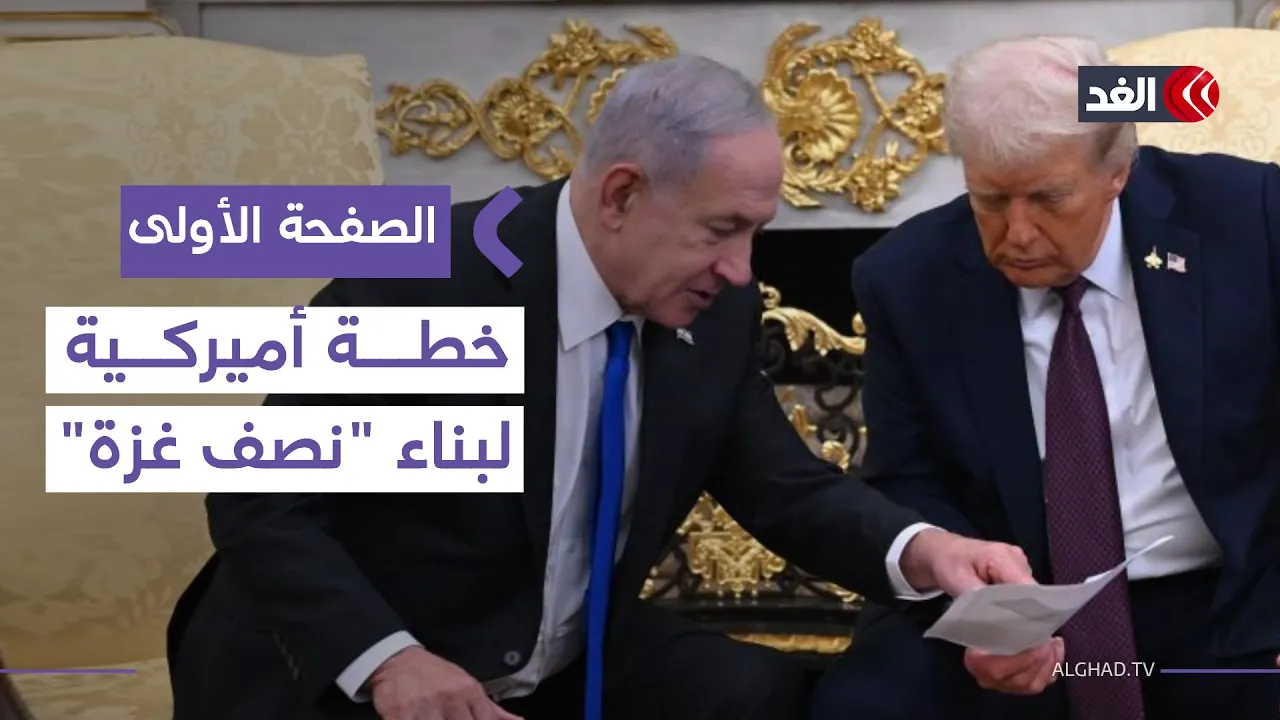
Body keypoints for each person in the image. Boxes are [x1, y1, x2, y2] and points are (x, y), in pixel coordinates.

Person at [165, 55, 1037, 720]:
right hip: (352, 661)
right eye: (721, 230)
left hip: (551, 655)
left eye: (756, 234)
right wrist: (390, 660)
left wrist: (928, 551)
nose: (742, 270)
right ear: (621, 195)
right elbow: (261, 502)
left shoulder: (713, 312)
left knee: (752, 692)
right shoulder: (425, 277)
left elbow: (785, 489)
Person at [808, 34, 1280, 720]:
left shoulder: (1250, 218)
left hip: (1224, 605)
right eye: (990, 199)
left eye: (1049, 198)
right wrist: (985, 614)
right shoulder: (906, 277)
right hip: (1014, 601)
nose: (1018, 233)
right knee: (864, 705)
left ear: (1118, 172)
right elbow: (908, 480)